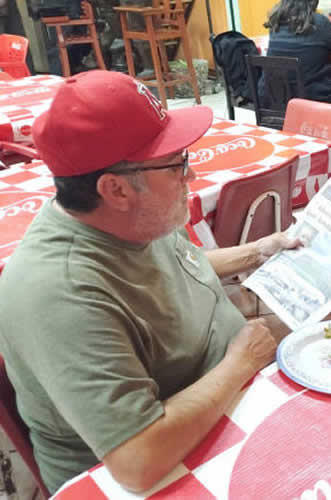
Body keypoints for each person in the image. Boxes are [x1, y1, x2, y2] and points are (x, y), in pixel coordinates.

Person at [0, 71, 301, 494]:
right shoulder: (59, 292)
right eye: (177, 164)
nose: (191, 177)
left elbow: (184, 262)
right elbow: (138, 460)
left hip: (225, 398)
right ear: (116, 189)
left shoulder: (134, 218)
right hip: (157, 468)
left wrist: (262, 249)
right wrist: (243, 360)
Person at [263, 0, 331, 141]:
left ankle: (313, 141)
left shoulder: (276, 21)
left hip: (277, 98)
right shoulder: (318, 22)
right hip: (312, 98)